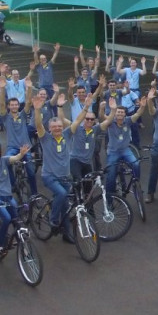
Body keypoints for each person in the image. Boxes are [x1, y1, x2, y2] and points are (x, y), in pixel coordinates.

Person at [33, 91, 92, 237]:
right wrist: (37, 109)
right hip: (50, 176)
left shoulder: (66, 134)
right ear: (50, 129)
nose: (58, 128)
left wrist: (86, 108)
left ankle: (67, 233)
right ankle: (53, 220)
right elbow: (38, 125)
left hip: (65, 177)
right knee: (62, 193)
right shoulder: (45, 138)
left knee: (66, 206)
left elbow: (78, 121)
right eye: (54, 127)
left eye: (59, 126)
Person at [0, 142, 31, 257]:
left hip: (7, 196)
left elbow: (15, 158)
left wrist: (21, 154)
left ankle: (22, 244)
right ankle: (0, 245)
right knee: (7, 218)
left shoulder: (4, 160)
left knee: (16, 219)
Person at [0, 76, 39, 197]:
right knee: (6, 163)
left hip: (25, 147)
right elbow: (1, 103)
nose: (15, 106)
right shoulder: (6, 117)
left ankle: (35, 195)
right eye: (12, 105)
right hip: (12, 148)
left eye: (16, 105)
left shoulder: (22, 115)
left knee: (31, 172)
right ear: (9, 106)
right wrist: (1, 89)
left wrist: (30, 88)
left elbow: (28, 102)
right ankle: (13, 185)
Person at [102, 95, 147, 198]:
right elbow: (102, 116)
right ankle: (109, 201)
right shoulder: (110, 122)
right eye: (118, 112)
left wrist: (143, 106)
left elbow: (138, 113)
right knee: (111, 178)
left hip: (125, 150)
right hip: (113, 152)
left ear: (125, 114)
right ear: (115, 113)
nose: (120, 114)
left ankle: (136, 185)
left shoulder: (128, 121)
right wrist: (101, 109)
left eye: (122, 112)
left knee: (136, 164)